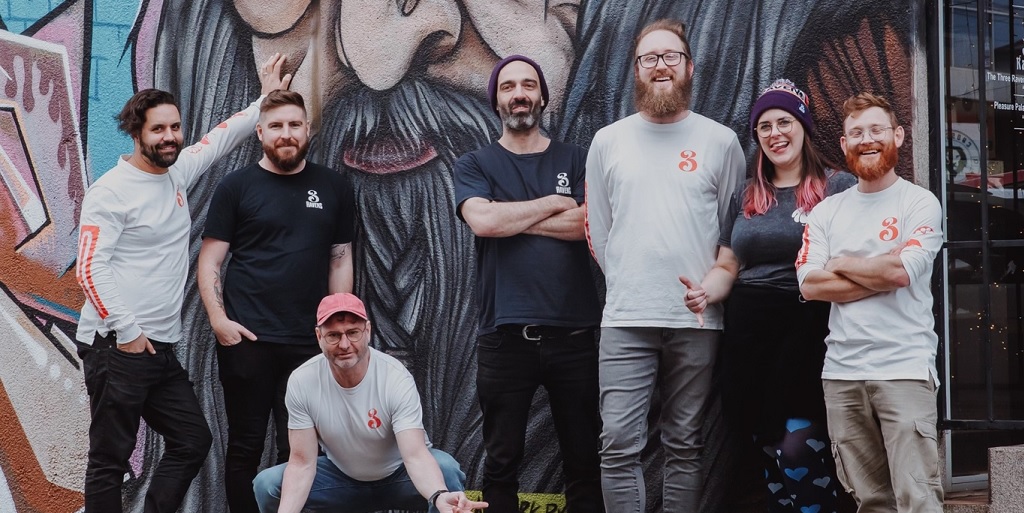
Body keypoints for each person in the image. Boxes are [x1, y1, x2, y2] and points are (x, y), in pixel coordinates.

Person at [73, 55, 291, 512]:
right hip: (118, 346)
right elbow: (89, 268)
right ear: (136, 133)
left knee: (192, 439)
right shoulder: (111, 191)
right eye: (158, 129)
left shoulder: (176, 172)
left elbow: (220, 138)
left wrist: (264, 100)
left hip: (159, 348)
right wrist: (128, 331)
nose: (170, 136)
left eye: (175, 127)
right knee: (109, 460)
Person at [584, 18, 746, 513]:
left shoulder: (721, 142)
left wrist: (708, 287)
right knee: (617, 445)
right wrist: (632, 279)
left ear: (689, 67)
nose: (660, 66)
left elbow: (731, 233)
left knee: (685, 443)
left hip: (696, 319)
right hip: (626, 317)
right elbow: (600, 231)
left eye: (670, 56)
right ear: (636, 70)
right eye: (649, 58)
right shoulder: (607, 141)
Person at [680, 79, 856, 513]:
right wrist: (705, 293)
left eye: (784, 122)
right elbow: (727, 266)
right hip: (748, 334)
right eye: (764, 126)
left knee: (797, 448)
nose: (775, 133)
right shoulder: (745, 194)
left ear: (803, 126)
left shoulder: (837, 187)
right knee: (768, 450)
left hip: (808, 331)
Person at [453, 55, 604, 513]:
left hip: (574, 335)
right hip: (504, 337)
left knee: (584, 463)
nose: (519, 94)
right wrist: (554, 202)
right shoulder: (474, 163)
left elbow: (588, 224)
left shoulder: (578, 158)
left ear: (542, 96)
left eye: (528, 85)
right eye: (508, 87)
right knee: (501, 465)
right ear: (496, 101)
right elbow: (483, 222)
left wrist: (510, 216)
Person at [196, 89, 356, 513]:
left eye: (294, 125)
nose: (286, 134)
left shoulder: (334, 187)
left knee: (301, 449)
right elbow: (210, 261)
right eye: (277, 126)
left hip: (309, 344)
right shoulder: (236, 187)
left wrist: (339, 327)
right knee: (245, 446)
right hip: (246, 340)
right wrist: (219, 321)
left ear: (307, 129)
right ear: (261, 133)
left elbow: (340, 259)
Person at [796, 92, 944, 512]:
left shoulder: (919, 203)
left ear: (898, 135)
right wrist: (880, 269)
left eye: (877, 129)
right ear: (844, 143)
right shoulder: (826, 212)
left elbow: (901, 273)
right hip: (842, 374)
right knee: (870, 502)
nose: (867, 140)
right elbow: (810, 285)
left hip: (904, 369)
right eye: (857, 133)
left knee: (918, 499)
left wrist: (840, 263)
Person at [251, 293, 487, 513]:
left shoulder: (394, 377)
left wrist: (438, 495)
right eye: (334, 335)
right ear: (319, 337)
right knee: (268, 484)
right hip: (339, 481)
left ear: (368, 331)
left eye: (353, 332)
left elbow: (415, 455)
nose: (344, 344)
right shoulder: (303, 380)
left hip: (401, 477)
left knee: (446, 471)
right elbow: (302, 463)